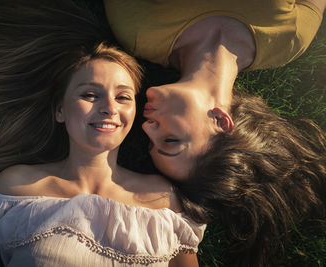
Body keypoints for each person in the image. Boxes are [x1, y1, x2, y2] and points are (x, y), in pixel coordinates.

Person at [0, 1, 206, 266]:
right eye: (90, 94)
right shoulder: (17, 190)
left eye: (123, 97)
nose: (109, 108)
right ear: (60, 110)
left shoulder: (162, 199)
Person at [103, 0, 326, 265]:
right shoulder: (290, 37)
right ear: (221, 121)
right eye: (170, 140)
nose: (146, 127)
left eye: (151, 143)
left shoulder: (138, 29)